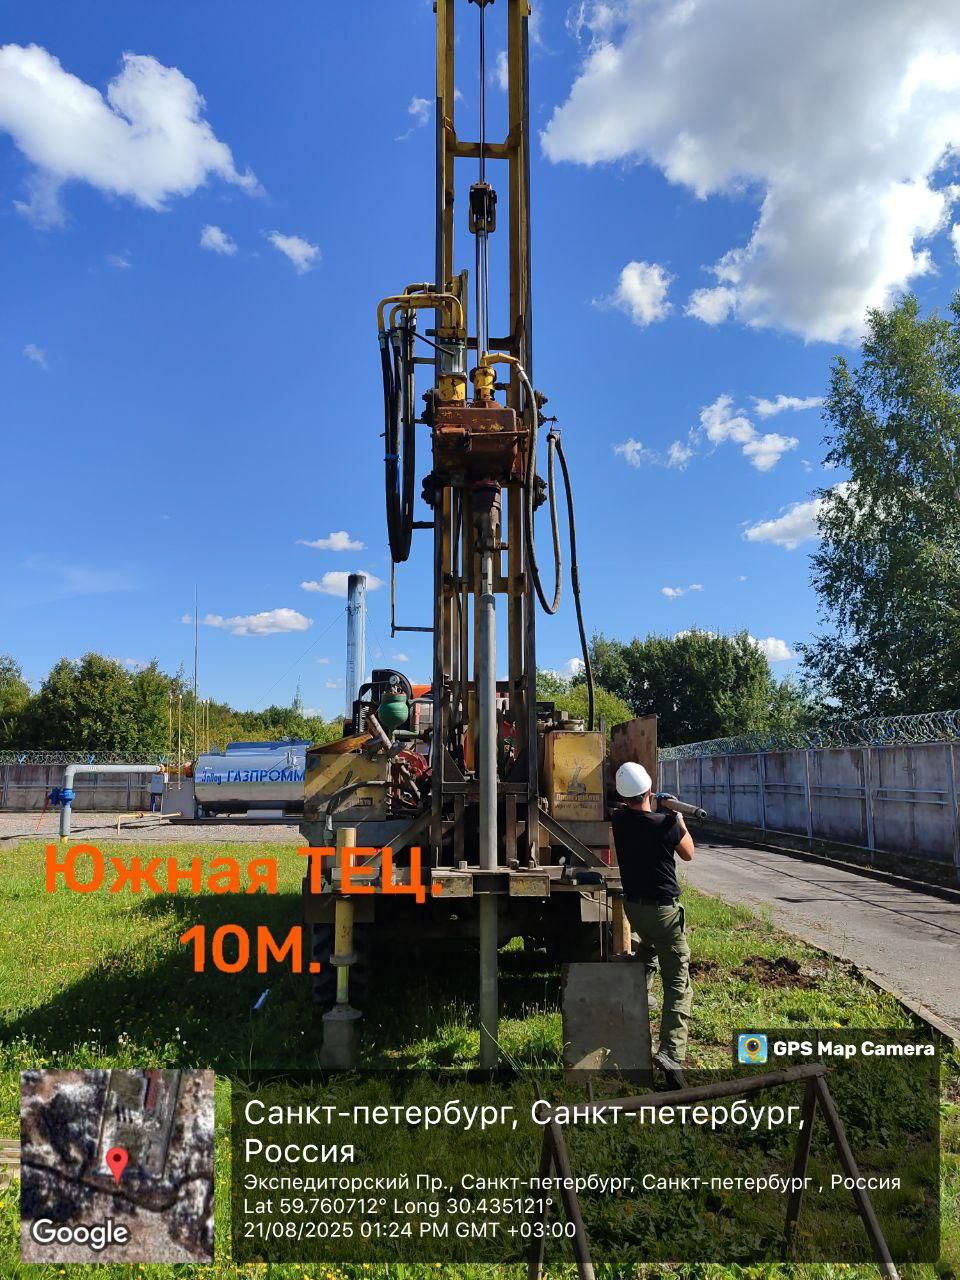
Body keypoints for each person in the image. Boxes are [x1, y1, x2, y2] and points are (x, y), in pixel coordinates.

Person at [610, 760, 695, 1082]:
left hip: (636, 911)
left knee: (647, 955)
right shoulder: (667, 823)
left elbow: (635, 812)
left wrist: (658, 809)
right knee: (678, 982)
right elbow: (688, 852)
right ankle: (671, 1054)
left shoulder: (619, 820)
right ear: (649, 789)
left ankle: (628, 1025)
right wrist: (678, 817)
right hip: (664, 913)